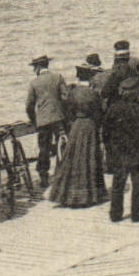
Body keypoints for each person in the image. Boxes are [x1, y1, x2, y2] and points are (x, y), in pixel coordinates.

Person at [48, 61, 109, 208]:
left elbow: (67, 112)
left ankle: (69, 194)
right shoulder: (93, 94)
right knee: (90, 158)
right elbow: (100, 112)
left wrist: (71, 125)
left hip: (76, 127)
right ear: (90, 78)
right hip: (90, 127)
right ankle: (91, 194)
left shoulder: (73, 93)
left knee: (72, 159)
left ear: (78, 77)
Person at [103, 76, 139, 223]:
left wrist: (110, 150)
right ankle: (137, 214)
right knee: (138, 184)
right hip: (138, 153)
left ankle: (115, 214)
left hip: (119, 153)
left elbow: (106, 132)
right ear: (135, 92)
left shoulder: (114, 108)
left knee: (118, 184)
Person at [25, 55, 67, 188]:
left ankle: (43, 176)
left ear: (38, 67)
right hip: (58, 118)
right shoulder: (58, 77)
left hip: (43, 121)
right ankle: (63, 172)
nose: (34, 70)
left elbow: (29, 105)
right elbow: (65, 97)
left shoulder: (34, 83)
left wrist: (34, 120)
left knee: (44, 148)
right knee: (62, 145)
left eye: (34, 67)